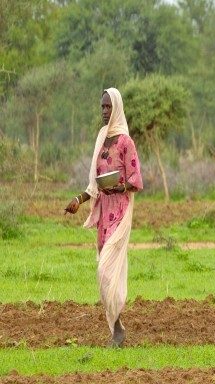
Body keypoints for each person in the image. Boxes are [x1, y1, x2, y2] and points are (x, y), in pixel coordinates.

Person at [64, 88, 143, 347]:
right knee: (105, 273)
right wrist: (78, 200)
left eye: (108, 107)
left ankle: (118, 328)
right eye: (102, 107)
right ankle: (117, 328)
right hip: (102, 213)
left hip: (119, 210)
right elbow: (93, 184)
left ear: (117, 108)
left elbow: (135, 180)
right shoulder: (101, 138)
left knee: (106, 269)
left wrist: (119, 186)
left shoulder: (125, 142)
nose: (104, 111)